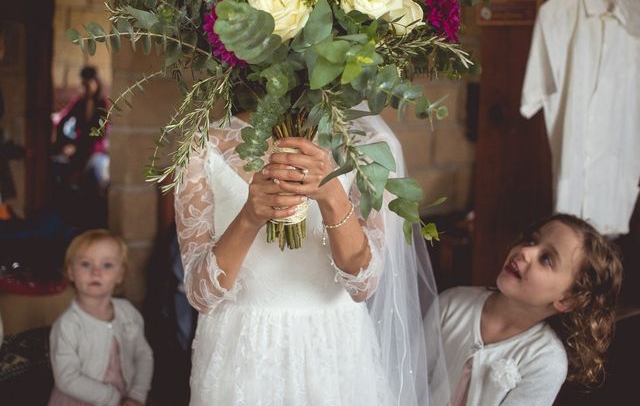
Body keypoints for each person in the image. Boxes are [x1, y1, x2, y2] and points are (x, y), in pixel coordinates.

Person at [174, 110, 449, 405]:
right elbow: (201, 295)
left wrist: (332, 194)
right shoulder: (202, 145)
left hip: (333, 353)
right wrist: (249, 218)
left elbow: (363, 285)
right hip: (242, 354)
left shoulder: (365, 145)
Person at [439, 213, 623, 406]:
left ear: (566, 300)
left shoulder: (546, 360)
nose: (526, 251)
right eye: (531, 240)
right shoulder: (450, 304)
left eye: (546, 259)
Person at [48, 229, 154, 406]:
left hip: (126, 397)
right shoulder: (68, 325)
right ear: (70, 272)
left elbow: (143, 355)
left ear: (120, 274)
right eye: (85, 264)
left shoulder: (128, 312)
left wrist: (137, 394)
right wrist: (114, 399)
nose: (96, 272)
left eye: (107, 265)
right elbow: (67, 378)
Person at [52, 66, 110, 195]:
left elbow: (100, 133)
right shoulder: (79, 102)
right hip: (79, 147)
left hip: (95, 149)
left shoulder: (103, 104)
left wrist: (79, 146)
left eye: (88, 83)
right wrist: (65, 143)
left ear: (96, 83)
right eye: (84, 84)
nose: (86, 87)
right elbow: (62, 120)